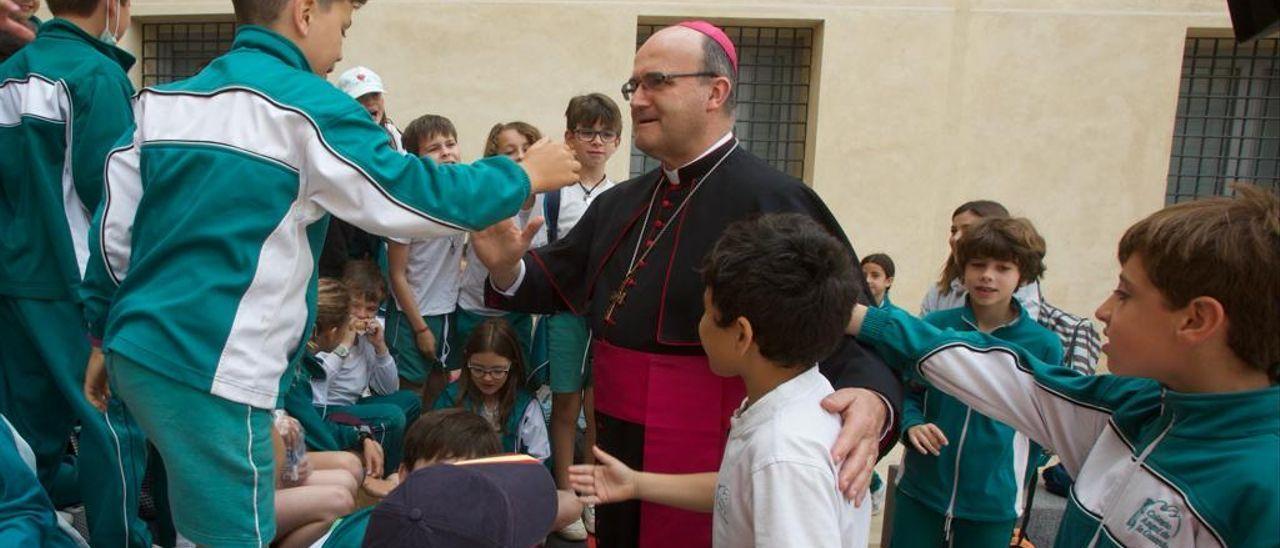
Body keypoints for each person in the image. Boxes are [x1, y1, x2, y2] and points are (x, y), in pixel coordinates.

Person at [78, 0, 580, 543]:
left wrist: (104, 335)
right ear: (304, 12)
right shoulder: (308, 107)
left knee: (199, 509)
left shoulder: (160, 102)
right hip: (215, 365)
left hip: (141, 352)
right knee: (230, 534)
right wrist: (522, 174)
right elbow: (408, 194)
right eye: (342, 27)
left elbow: (114, 235)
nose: (340, 50)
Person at [472, 20, 900, 546]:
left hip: (708, 447)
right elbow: (559, 279)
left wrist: (874, 395)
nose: (637, 100)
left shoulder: (773, 196)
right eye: (634, 86)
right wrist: (504, 266)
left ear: (715, 91)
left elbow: (843, 317)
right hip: (616, 439)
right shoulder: (621, 202)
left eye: (657, 82)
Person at [847, 184, 1279, 546]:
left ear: (1195, 320)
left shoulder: (1261, 488)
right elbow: (993, 373)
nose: (1103, 310)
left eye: (1125, 294)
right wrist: (862, 318)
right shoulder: (1130, 411)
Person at [570, 214, 872, 547]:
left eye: (707, 314)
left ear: (742, 334)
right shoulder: (794, 401)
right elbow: (738, 489)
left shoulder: (784, 455)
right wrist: (637, 483)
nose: (700, 326)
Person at [0, 0, 150, 545]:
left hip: (14, 284)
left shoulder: (6, 73)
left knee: (24, 440)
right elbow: (116, 199)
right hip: (77, 286)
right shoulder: (97, 75)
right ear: (114, 6)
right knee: (112, 428)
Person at [891, 217, 1063, 547]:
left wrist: (1009, 469)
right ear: (963, 268)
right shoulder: (935, 328)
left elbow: (1048, 424)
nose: (987, 275)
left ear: (1022, 275)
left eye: (1002, 267)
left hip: (992, 505)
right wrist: (911, 425)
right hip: (921, 491)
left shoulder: (1042, 345)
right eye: (978, 264)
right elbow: (908, 390)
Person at [541, 92, 624, 540]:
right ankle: (563, 498)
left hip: (607, 317)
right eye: (587, 132)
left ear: (617, 142)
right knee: (565, 403)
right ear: (570, 137)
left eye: (606, 133)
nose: (597, 141)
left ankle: (591, 498)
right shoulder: (552, 196)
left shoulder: (623, 195)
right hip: (566, 314)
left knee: (597, 411)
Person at [310, 262, 419, 471]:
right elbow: (318, 382)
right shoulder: (328, 330)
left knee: (410, 401)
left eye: (370, 309)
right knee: (392, 416)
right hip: (327, 408)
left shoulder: (369, 335)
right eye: (355, 306)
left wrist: (380, 347)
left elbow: (389, 389)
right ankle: (384, 472)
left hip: (353, 402)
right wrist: (345, 344)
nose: (362, 315)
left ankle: (398, 465)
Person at [385, 114, 467, 394]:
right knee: (411, 390)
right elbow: (396, 274)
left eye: (451, 143)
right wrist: (419, 328)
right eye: (434, 148)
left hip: (449, 310)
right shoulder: (407, 205)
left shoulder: (462, 195)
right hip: (414, 314)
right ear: (414, 158)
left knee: (440, 385)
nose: (446, 152)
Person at [433, 318, 550, 462]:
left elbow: (539, 458)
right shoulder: (451, 398)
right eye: (478, 369)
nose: (487, 378)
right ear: (467, 362)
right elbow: (434, 448)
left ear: (512, 365)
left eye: (497, 371)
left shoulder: (526, 406)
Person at [920, 200, 1041, 318]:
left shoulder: (1041, 326)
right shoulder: (940, 294)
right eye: (954, 231)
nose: (956, 238)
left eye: (968, 229)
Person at [335, 64, 402, 151]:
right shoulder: (335, 143)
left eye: (375, 95)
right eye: (360, 97)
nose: (370, 102)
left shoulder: (392, 133)